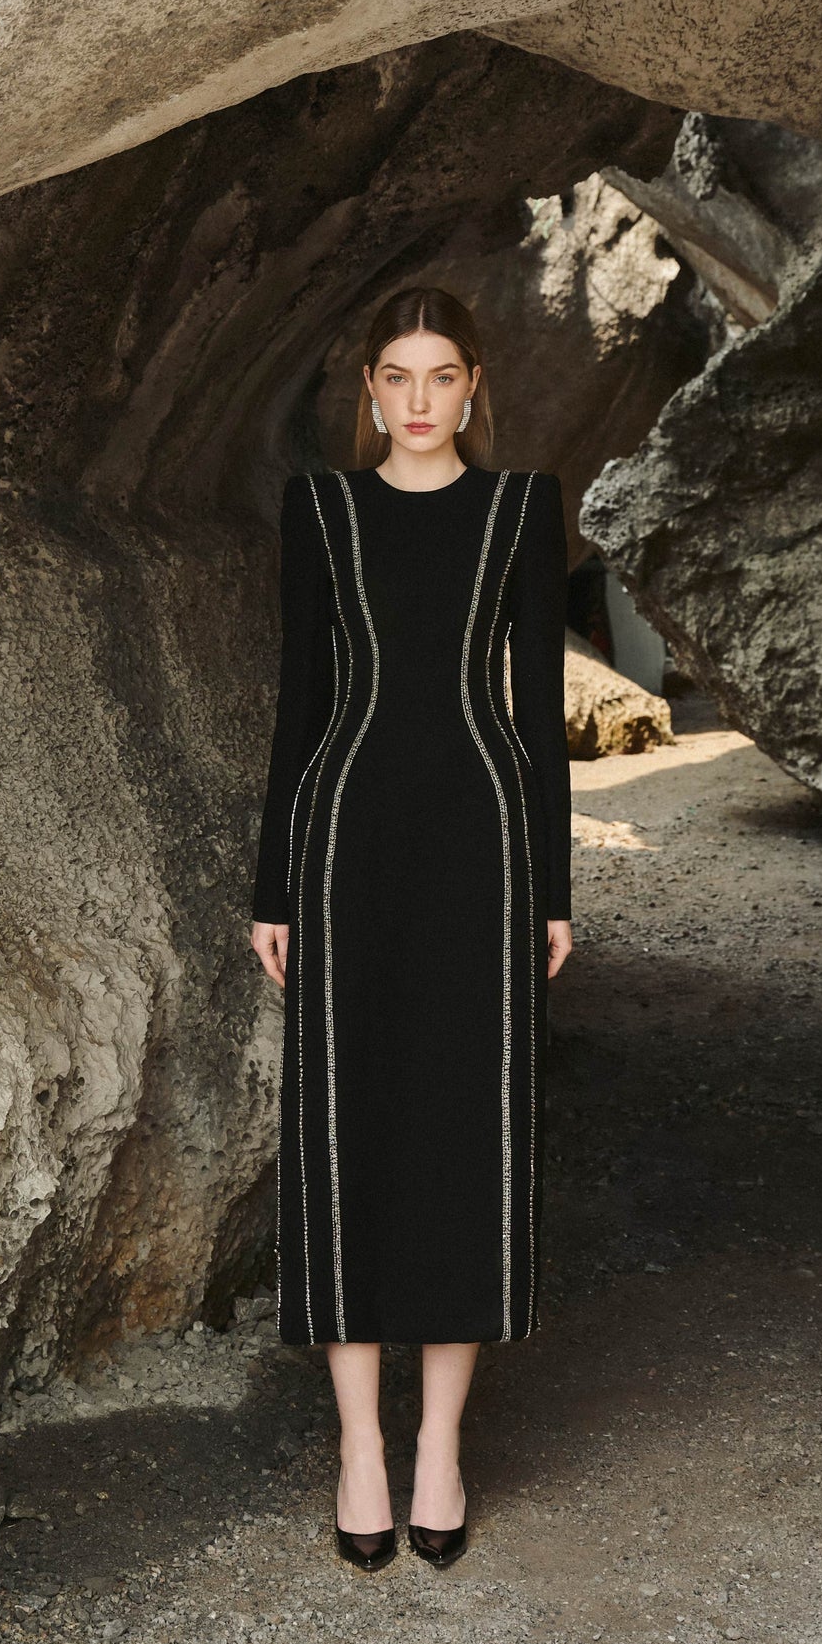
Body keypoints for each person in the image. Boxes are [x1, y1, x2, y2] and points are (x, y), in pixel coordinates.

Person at [249, 285, 574, 1574]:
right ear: (370, 391)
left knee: (463, 1133)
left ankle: (439, 1443)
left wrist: (554, 892)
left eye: (444, 374)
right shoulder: (322, 510)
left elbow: (537, 713)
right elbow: (299, 703)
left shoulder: (521, 509)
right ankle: (359, 1450)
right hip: (346, 843)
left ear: (474, 386)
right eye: (399, 375)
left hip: (482, 846)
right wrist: (273, 886)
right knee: (348, 1123)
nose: (422, 398)